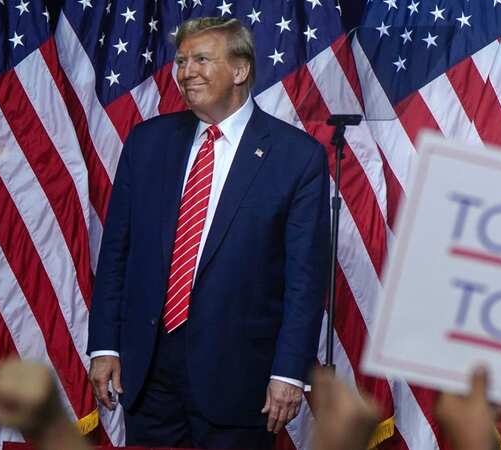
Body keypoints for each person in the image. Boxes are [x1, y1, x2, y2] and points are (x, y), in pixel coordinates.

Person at [86, 17, 330, 449]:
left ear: (240, 71)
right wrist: (104, 345)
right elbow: (116, 255)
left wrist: (289, 372)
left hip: (239, 380)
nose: (186, 71)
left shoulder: (297, 158)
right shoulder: (147, 142)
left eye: (201, 59)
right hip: (148, 372)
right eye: (181, 60)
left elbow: (305, 281)